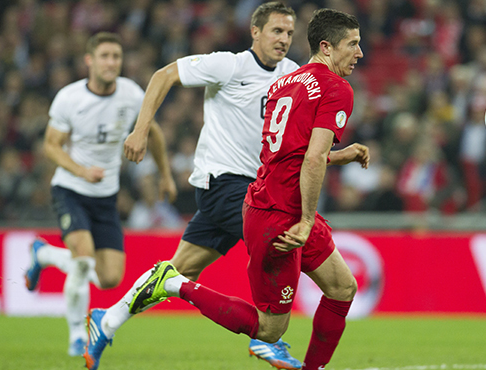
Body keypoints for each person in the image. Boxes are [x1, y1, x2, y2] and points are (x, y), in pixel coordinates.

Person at [125, 8, 367, 370]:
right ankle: (174, 283)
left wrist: (337, 157)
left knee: (342, 287)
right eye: (353, 44)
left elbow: (287, 155)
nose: (360, 53)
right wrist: (304, 220)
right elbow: (311, 159)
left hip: (270, 199)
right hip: (281, 216)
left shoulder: (288, 82)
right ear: (327, 47)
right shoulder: (335, 88)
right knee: (269, 331)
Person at [84, 3, 302, 370]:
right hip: (225, 182)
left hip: (254, 187)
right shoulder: (229, 65)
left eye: (289, 33)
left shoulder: (293, 74)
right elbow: (163, 75)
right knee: (275, 244)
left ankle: (107, 320)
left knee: (179, 271)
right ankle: (269, 339)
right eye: (276, 31)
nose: (283, 39)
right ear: (255, 31)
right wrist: (140, 130)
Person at [23, 32, 177, 357]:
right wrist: (81, 171)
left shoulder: (132, 95)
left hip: (106, 196)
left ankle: (44, 255)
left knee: (109, 278)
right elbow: (51, 145)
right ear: (89, 60)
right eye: (105, 56)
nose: (111, 63)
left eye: (116, 57)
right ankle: (77, 335)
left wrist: (164, 175)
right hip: (72, 189)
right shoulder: (69, 98)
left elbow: (154, 133)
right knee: (82, 260)